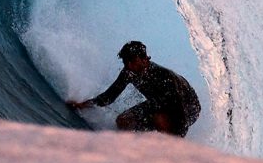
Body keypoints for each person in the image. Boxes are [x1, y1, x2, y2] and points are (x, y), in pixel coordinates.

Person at [68, 41, 201, 137]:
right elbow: (109, 96)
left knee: (160, 119)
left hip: (188, 107)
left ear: (145, 59)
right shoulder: (129, 72)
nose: (129, 65)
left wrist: (177, 143)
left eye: (133, 61)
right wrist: (83, 105)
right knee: (123, 120)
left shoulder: (164, 77)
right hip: (159, 103)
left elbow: (181, 115)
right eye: (126, 62)